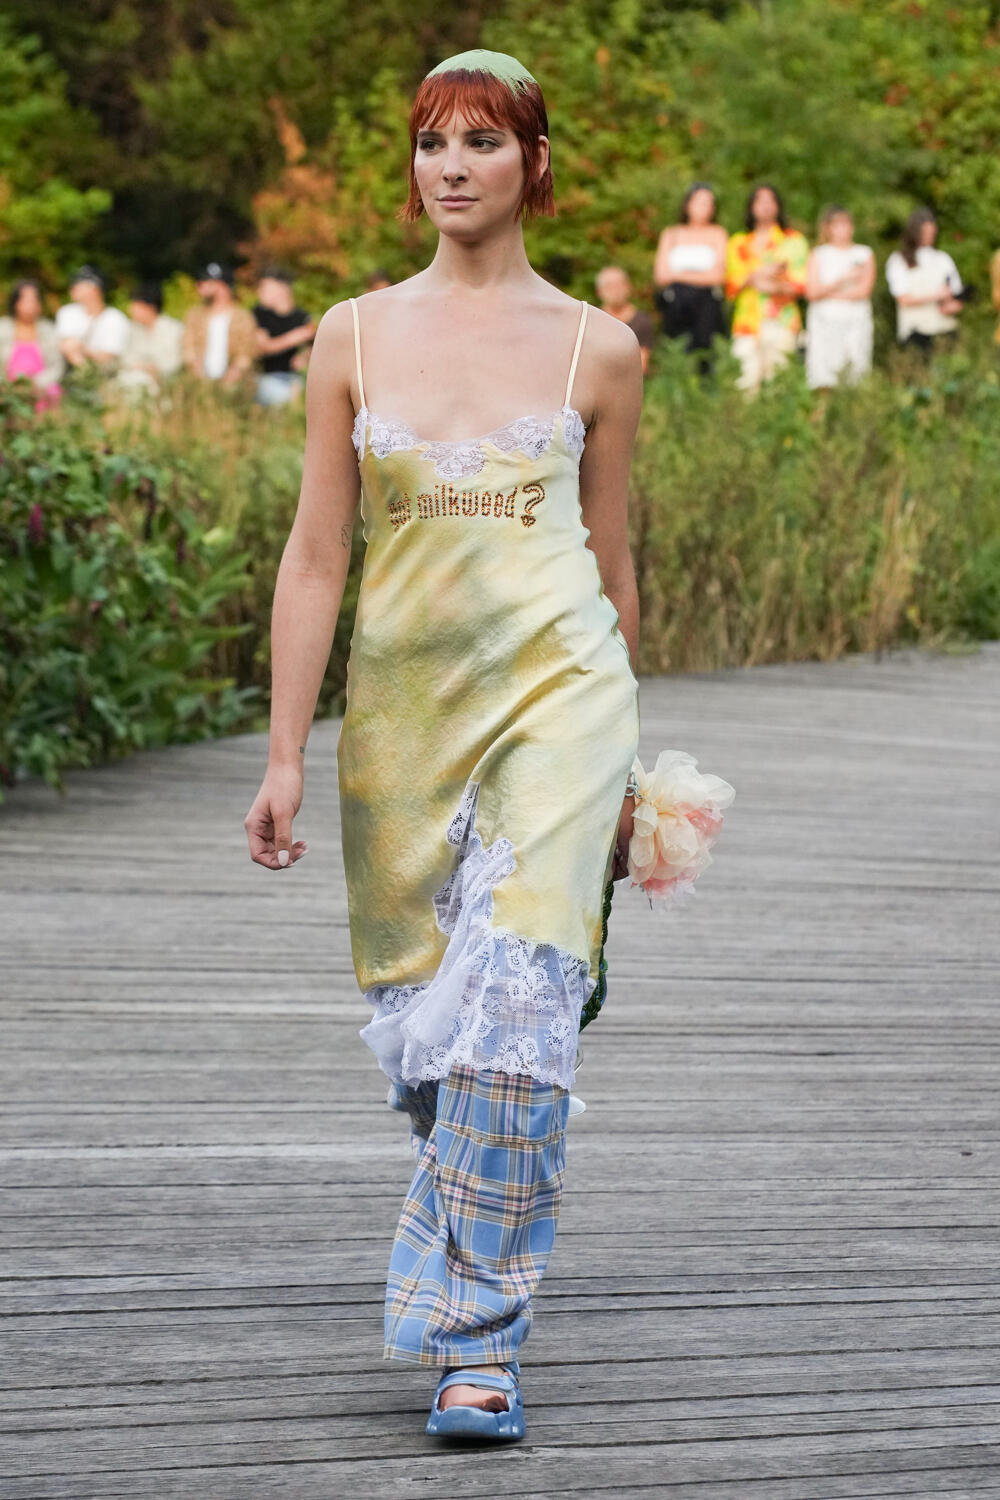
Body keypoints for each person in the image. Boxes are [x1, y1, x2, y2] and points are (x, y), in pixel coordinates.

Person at [242, 48, 641, 1442]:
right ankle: (471, 1228)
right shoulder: (351, 335)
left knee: (518, 1008)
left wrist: (628, 770)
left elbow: (614, 567)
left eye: (483, 141)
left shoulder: (600, 348)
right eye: (432, 143)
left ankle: (477, 1345)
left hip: (561, 703)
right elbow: (315, 557)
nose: (453, 167)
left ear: (535, 162)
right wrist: (285, 755)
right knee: (433, 1048)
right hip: (402, 726)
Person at [725, 184, 808, 392]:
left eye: (770, 200)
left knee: (779, 384)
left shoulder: (793, 241)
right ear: (751, 206)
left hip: (782, 319)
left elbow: (798, 285)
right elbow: (732, 286)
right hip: (746, 322)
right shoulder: (738, 243)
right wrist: (766, 272)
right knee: (745, 383)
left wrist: (756, 278)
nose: (765, 206)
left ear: (778, 206)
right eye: (760, 200)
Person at [652, 181, 728, 365]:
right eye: (700, 202)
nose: (704, 207)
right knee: (677, 352)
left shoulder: (718, 233)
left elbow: (719, 277)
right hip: (676, 304)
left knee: (705, 355)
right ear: (688, 204)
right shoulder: (671, 234)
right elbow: (661, 276)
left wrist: (678, 274)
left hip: (707, 305)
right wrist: (701, 276)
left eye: (709, 203)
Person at [804, 206, 875, 390]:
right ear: (828, 228)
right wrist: (843, 280)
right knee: (823, 374)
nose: (843, 229)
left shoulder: (864, 253)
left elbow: (863, 292)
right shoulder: (818, 254)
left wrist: (828, 294)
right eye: (838, 224)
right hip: (824, 324)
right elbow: (812, 292)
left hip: (855, 323)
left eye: (846, 224)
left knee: (855, 372)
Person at [885, 208, 964, 355]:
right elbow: (904, 299)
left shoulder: (942, 258)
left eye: (931, 233)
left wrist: (951, 305)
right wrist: (937, 295)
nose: (929, 237)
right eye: (925, 232)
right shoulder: (899, 260)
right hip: (916, 331)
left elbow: (957, 294)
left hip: (944, 329)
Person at [181, 262, 257, 387]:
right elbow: (187, 347)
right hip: (199, 382)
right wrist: (196, 369)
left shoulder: (243, 317)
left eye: (206, 282)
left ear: (223, 286)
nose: (200, 286)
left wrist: (233, 374)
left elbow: (247, 353)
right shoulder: (194, 315)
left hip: (233, 383)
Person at [252, 268, 316, 406]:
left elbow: (315, 348)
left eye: (265, 287)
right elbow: (263, 347)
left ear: (283, 288)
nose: (259, 292)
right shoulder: (259, 314)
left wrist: (304, 357)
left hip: (297, 378)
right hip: (267, 378)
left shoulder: (302, 316)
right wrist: (296, 336)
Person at [55, 267, 131, 371]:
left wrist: (82, 349)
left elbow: (108, 357)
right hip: (72, 370)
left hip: (107, 372)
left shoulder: (116, 318)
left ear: (94, 289)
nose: (72, 289)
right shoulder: (67, 312)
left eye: (78, 285)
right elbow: (66, 347)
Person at [0, 280, 63, 405]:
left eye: (34, 301)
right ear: (15, 303)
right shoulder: (3, 328)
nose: (30, 306)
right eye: (25, 300)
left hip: (41, 387)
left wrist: (35, 384)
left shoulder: (48, 330)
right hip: (7, 386)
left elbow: (56, 367)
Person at [118, 282, 184, 395]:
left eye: (136, 306)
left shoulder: (173, 329)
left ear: (150, 307)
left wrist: (154, 369)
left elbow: (174, 363)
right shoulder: (134, 329)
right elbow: (126, 358)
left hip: (164, 383)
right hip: (135, 378)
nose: (131, 310)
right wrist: (140, 367)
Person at [595, 265, 655, 374]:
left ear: (628, 287)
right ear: (599, 292)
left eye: (619, 284)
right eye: (609, 286)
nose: (615, 290)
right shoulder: (592, 321)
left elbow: (641, 366)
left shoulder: (642, 321)